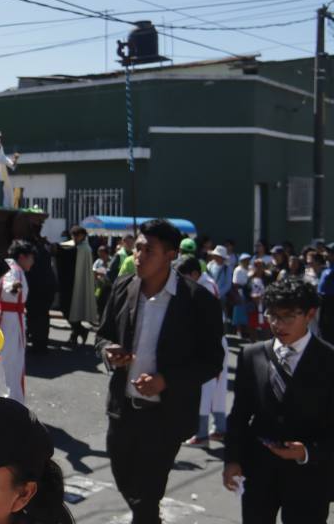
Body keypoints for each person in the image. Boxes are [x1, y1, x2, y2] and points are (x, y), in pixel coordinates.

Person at [95, 218, 224, 524]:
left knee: (149, 491)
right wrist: (108, 352)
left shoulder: (197, 301)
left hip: (166, 416)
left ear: (170, 255)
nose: (138, 256)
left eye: (148, 250)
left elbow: (212, 359)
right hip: (123, 408)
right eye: (137, 248)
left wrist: (166, 380)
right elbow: (102, 334)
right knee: (123, 474)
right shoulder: (124, 287)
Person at [223, 278, 334, 523]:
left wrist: (306, 452)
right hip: (259, 472)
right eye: (272, 315)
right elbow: (240, 413)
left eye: (287, 317)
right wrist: (232, 459)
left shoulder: (328, 360)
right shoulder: (252, 355)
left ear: (309, 314)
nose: (277, 324)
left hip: (310, 478)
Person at [175, 257, 228, 448]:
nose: (180, 280)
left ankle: (202, 434)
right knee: (216, 391)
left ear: (195, 274)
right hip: (213, 341)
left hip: (209, 343)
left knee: (205, 390)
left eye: (183, 276)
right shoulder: (205, 283)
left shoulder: (203, 287)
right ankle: (220, 429)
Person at [0, 241, 35, 404]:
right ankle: (8, 402)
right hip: (9, 322)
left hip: (11, 319)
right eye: (31, 258)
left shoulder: (13, 268)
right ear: (22, 256)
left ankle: (10, 401)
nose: (32, 262)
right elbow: (8, 287)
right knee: (8, 361)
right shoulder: (13, 270)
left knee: (11, 361)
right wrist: (13, 288)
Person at [55, 226, 98, 346]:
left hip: (76, 285)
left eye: (76, 235)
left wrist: (59, 248)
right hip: (70, 284)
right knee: (67, 309)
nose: (74, 238)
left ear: (83, 236)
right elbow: (63, 250)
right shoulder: (75, 246)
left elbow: (66, 252)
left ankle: (77, 332)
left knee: (71, 309)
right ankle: (78, 331)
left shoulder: (84, 248)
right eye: (73, 235)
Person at [24, 218, 56, 354]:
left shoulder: (32, 246)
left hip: (36, 286)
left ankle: (38, 343)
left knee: (35, 315)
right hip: (46, 285)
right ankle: (41, 342)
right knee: (42, 315)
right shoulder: (42, 245)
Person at [231, 253, 251, 338]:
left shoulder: (250, 269)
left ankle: (246, 331)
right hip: (240, 293)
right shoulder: (238, 270)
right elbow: (235, 283)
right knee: (238, 313)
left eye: (248, 260)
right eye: (245, 260)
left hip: (248, 293)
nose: (247, 261)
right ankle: (238, 331)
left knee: (247, 313)